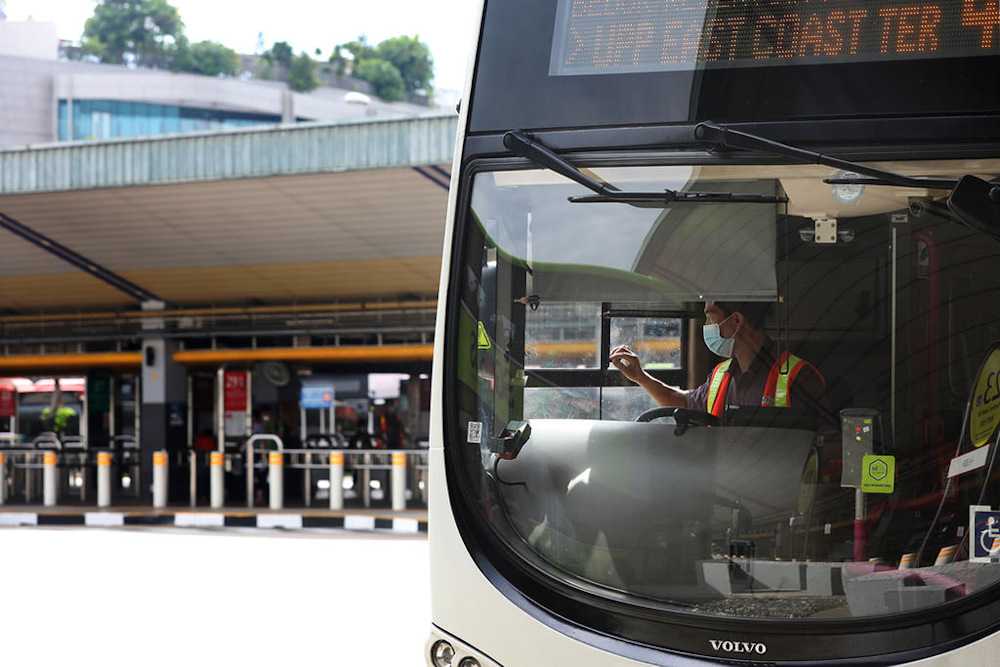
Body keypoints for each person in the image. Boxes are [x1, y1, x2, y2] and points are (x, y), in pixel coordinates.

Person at [610, 301, 828, 420]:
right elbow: (682, 404)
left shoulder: (798, 376)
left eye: (710, 317)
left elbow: (826, 445)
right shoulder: (721, 375)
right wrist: (640, 377)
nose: (706, 326)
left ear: (736, 321)